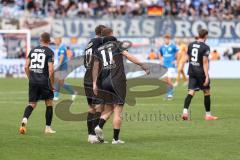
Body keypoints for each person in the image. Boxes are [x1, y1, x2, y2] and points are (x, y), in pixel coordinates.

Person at [92, 28, 150, 144]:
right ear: (111, 35)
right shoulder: (117, 44)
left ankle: (99, 126)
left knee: (108, 108)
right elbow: (128, 55)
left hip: (104, 82)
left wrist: (94, 83)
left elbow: (95, 67)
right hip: (117, 80)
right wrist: (142, 65)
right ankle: (115, 139)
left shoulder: (98, 49)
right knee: (118, 110)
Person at [19, 32, 56, 134]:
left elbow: (26, 66)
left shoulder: (33, 50)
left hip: (33, 81)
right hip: (44, 81)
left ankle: (25, 119)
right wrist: (52, 83)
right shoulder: (50, 52)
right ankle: (47, 128)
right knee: (49, 103)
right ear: (49, 41)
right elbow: (51, 70)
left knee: (32, 103)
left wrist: (30, 78)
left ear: (40, 40)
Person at [182, 29, 218, 121]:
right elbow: (205, 62)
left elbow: (187, 58)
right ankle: (208, 115)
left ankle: (185, 112)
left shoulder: (190, 45)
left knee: (191, 92)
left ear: (198, 35)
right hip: (201, 72)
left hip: (192, 71)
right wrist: (206, 76)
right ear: (205, 36)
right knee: (206, 92)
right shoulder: (205, 47)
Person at [83, 25, 106, 144]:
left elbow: (85, 62)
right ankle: (93, 135)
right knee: (99, 107)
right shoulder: (100, 42)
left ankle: (90, 135)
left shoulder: (90, 43)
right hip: (95, 78)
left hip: (87, 76)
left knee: (92, 108)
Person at [159, 34, 178, 100]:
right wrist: (161, 60)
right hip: (164, 65)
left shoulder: (173, 46)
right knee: (166, 81)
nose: (166, 40)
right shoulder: (162, 47)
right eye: (165, 39)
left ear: (169, 39)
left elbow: (177, 53)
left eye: (167, 39)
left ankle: (170, 95)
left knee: (169, 80)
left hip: (171, 66)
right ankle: (168, 94)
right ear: (164, 39)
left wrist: (175, 60)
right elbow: (160, 54)